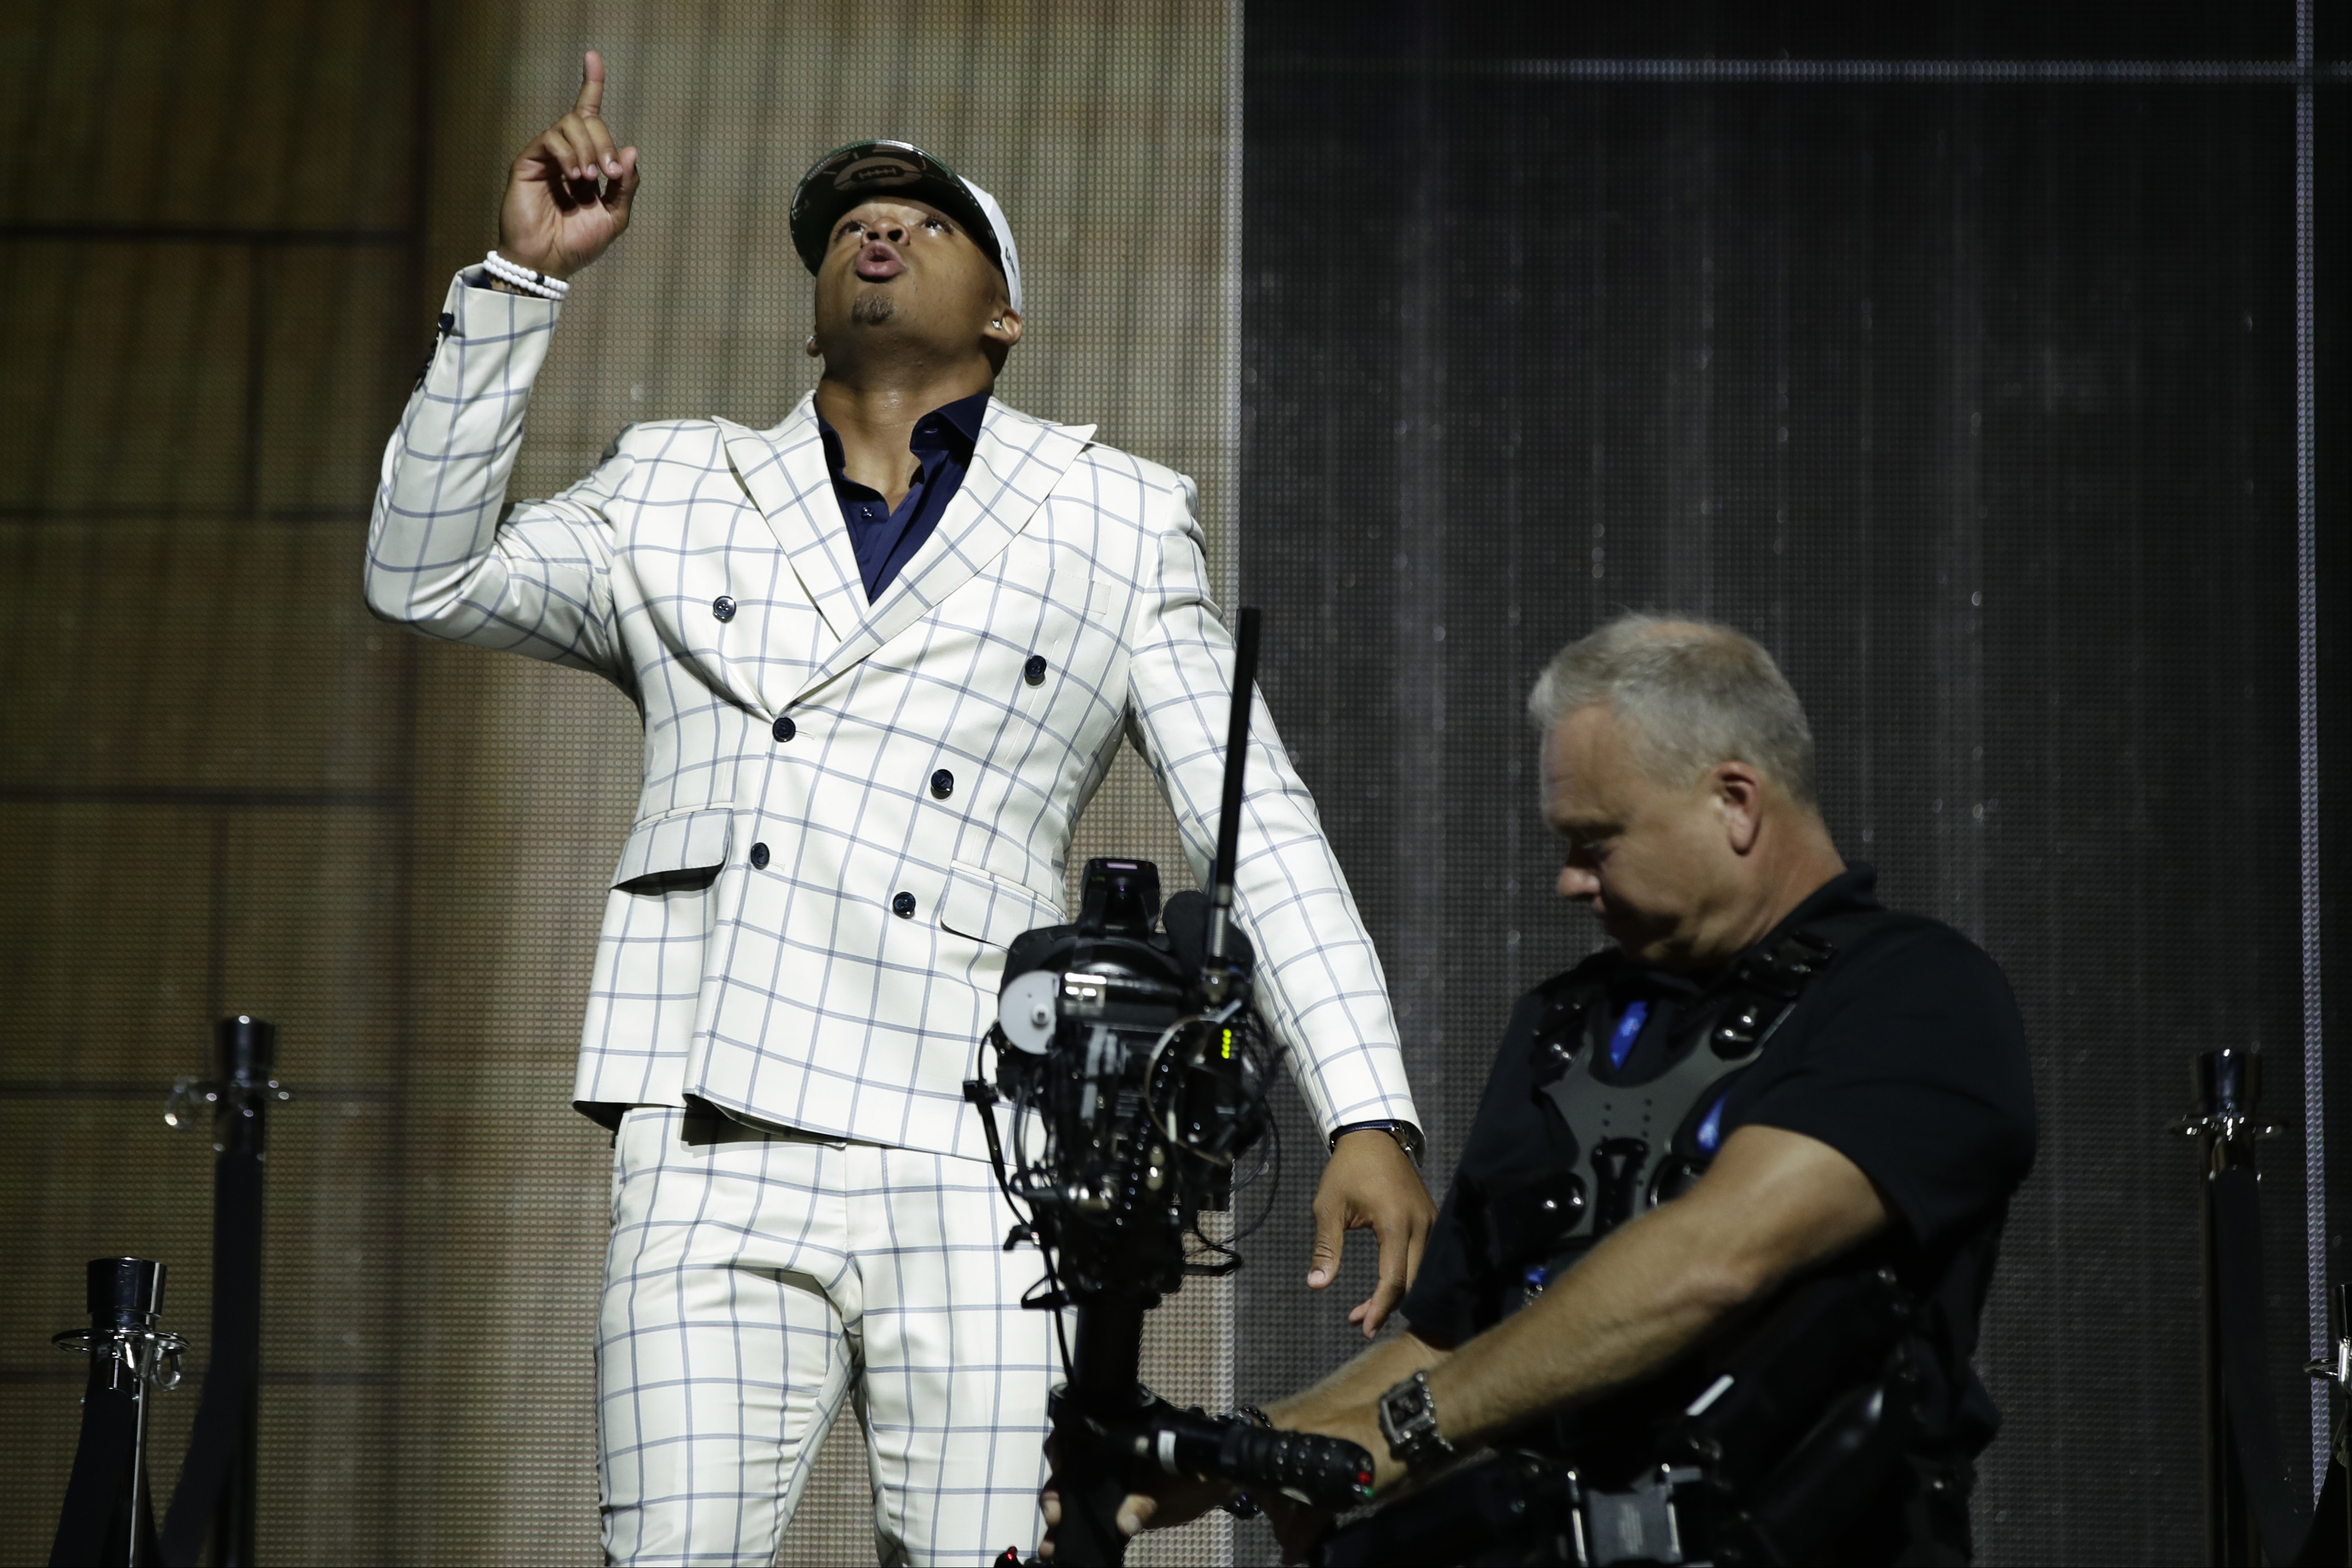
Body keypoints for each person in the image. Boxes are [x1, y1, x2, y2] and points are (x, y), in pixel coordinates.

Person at [364, 53, 1435, 1567]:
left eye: (927, 219)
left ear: (1004, 312)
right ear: (811, 303)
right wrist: (517, 289)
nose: (878, 229)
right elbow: (423, 575)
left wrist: (1367, 1106)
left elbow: (1254, 821)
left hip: (984, 1149)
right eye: (851, 220)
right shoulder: (676, 485)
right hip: (716, 1145)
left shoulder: (1111, 513)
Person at [1059, 613, 2037, 1565]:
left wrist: (1398, 1433)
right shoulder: (1564, 1021)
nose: (1569, 881)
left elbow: (1715, 1256)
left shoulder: (1919, 993)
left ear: (1735, 801)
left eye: (1596, 841)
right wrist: (1226, 1457)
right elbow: (1454, 1345)